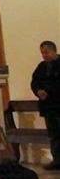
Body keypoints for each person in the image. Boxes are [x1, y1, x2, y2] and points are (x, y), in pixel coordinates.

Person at [30, 40, 60, 169]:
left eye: (46, 52)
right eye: (42, 53)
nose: (44, 55)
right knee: (54, 134)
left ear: (54, 51)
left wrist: (48, 91)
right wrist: (38, 91)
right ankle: (57, 160)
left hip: (58, 103)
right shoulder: (41, 66)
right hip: (49, 107)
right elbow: (34, 81)